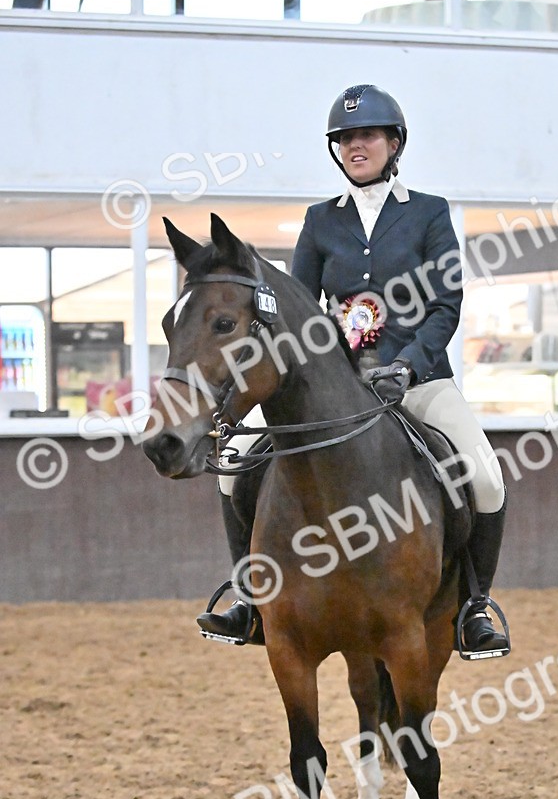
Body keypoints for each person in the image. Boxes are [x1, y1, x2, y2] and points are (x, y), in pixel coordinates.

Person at [197, 83, 509, 656]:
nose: (355, 146)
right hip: (339, 388)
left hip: (420, 381)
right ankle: (249, 600)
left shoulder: (429, 213)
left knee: (485, 477)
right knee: (232, 469)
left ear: (394, 143)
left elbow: (445, 306)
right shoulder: (320, 221)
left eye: (366, 135)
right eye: (344, 138)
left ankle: (474, 606)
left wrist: (408, 367)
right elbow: (299, 308)